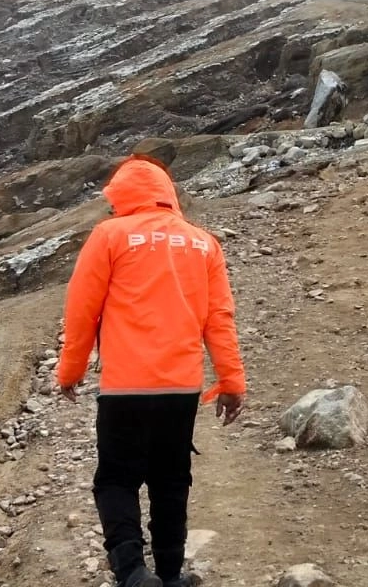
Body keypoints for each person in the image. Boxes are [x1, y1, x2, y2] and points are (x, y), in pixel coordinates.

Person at [56, 155, 246, 587]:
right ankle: (171, 574)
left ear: (122, 196)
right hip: (181, 387)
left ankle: (132, 572)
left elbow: (82, 310)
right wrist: (231, 381)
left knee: (116, 480)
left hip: (125, 386)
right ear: (167, 195)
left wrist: (71, 370)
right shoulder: (204, 243)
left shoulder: (109, 235)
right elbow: (219, 318)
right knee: (171, 479)